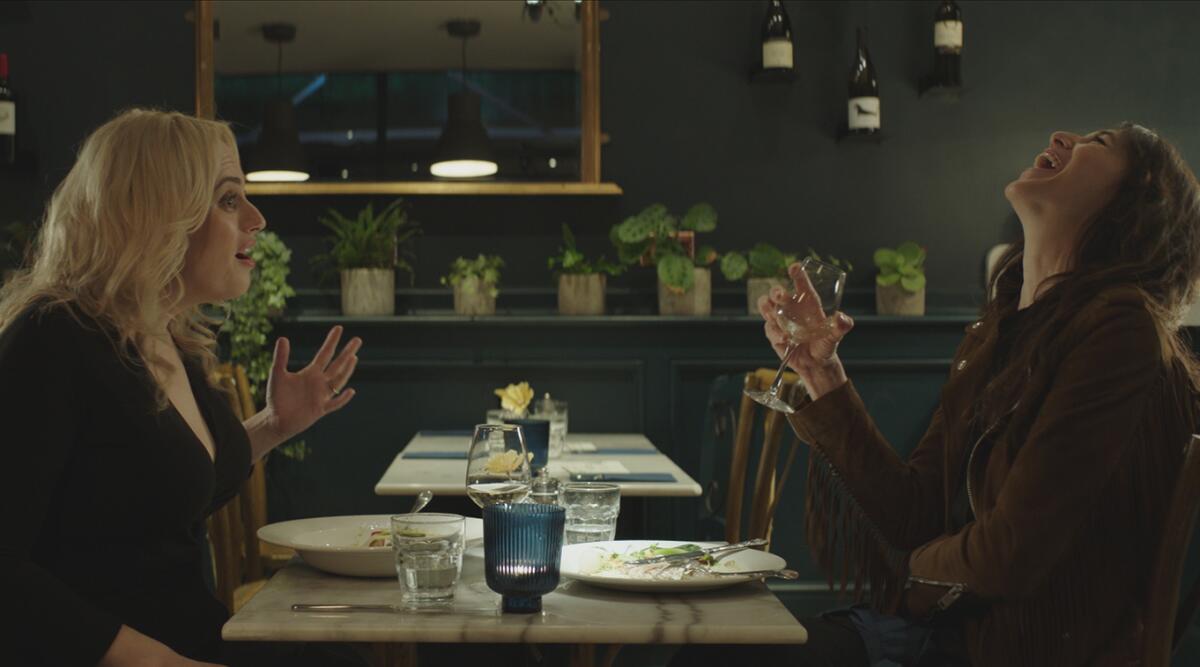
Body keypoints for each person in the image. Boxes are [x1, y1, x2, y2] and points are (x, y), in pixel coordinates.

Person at [673, 123, 1200, 667]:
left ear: (1138, 203)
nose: (1064, 135)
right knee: (703, 651)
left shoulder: (1121, 332)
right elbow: (912, 511)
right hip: (943, 634)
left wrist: (912, 574)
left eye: (1101, 140)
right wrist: (822, 374)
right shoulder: (1002, 332)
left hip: (1001, 649)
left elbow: (1011, 551)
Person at [0, 109, 364, 666]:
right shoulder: (55, 337)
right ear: (157, 216)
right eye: (227, 199)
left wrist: (273, 425)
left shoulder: (163, 336)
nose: (256, 218)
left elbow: (160, 496)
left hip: (201, 639)